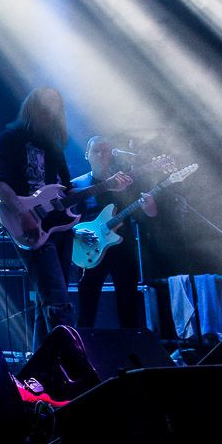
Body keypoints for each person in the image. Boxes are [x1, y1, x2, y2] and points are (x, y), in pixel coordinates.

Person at [0, 88, 130, 348]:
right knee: (58, 303)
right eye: (46, 105)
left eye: (56, 107)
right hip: (29, 226)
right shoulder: (11, 138)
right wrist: (23, 212)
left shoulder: (53, 145)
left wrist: (107, 185)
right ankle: (72, 363)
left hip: (58, 229)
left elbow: (68, 192)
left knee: (49, 303)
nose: (51, 112)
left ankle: (41, 366)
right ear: (33, 107)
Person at [74, 136, 156, 329]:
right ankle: (83, 345)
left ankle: (130, 345)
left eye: (105, 150)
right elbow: (66, 220)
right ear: (87, 155)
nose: (101, 155)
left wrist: (150, 207)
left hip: (122, 247)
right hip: (90, 248)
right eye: (96, 150)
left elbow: (150, 214)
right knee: (87, 307)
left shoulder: (126, 182)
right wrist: (76, 233)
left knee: (129, 304)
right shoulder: (77, 185)